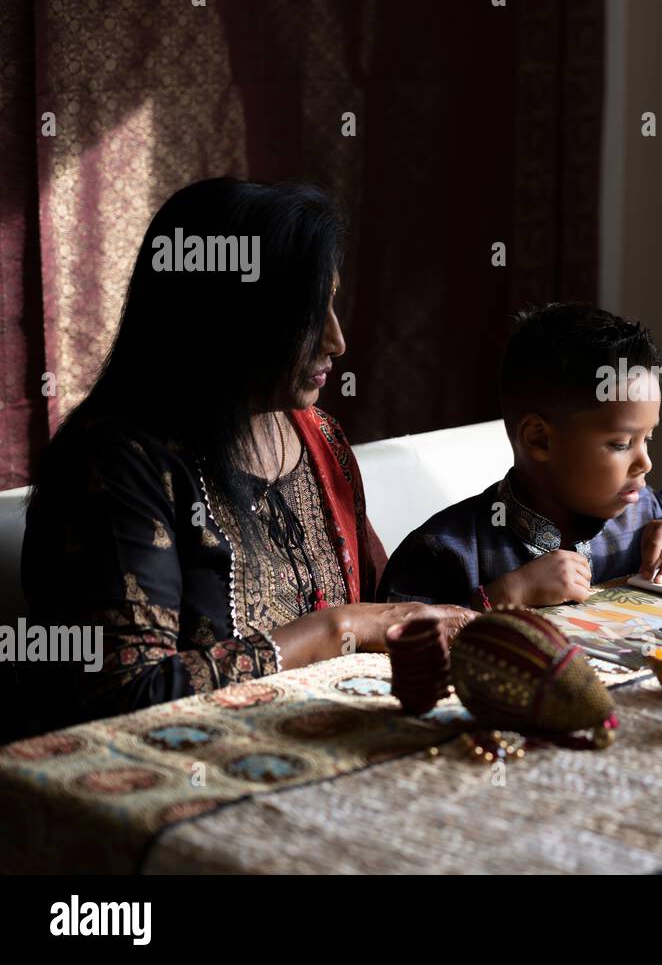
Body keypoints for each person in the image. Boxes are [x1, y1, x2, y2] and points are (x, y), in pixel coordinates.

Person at [16, 178, 441, 738]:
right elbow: (125, 696)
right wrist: (333, 626)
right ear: (227, 318)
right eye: (308, 314)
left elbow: (384, 610)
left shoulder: (318, 437)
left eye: (331, 303)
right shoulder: (115, 466)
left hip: (322, 745)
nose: (336, 341)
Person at [379, 303, 662, 609]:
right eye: (621, 444)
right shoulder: (444, 552)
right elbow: (384, 652)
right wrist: (503, 596)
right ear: (540, 440)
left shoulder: (642, 516)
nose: (645, 462)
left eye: (647, 439)